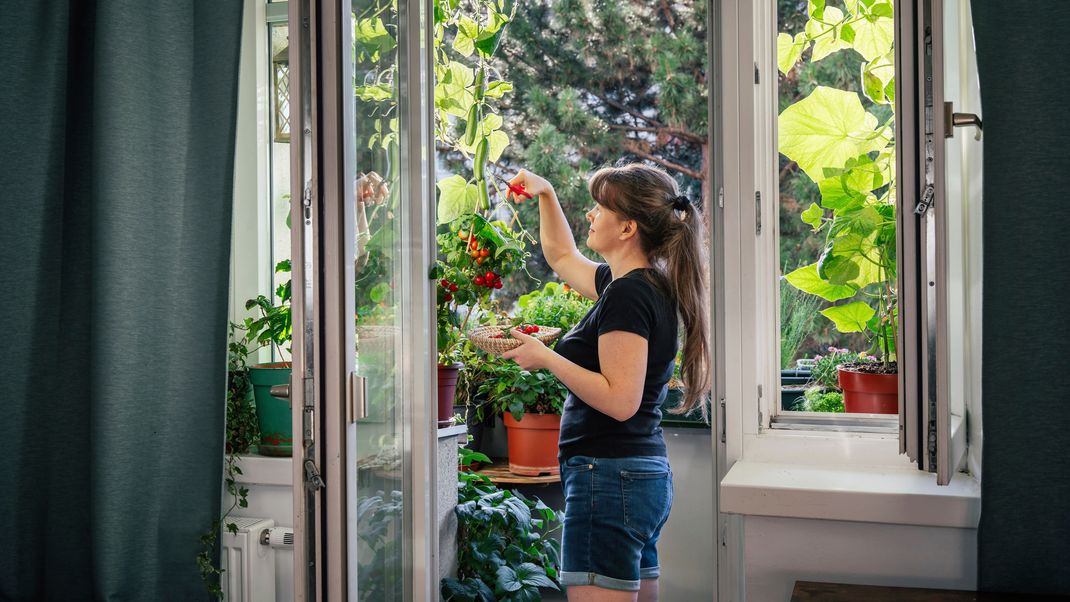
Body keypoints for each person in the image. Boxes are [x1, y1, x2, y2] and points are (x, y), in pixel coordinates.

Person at [502, 163, 711, 601]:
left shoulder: (629, 295)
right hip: (632, 477)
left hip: (609, 478)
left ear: (627, 227)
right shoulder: (635, 284)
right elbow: (561, 257)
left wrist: (545, 357)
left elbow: (620, 401)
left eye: (600, 208)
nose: (591, 216)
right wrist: (545, 192)